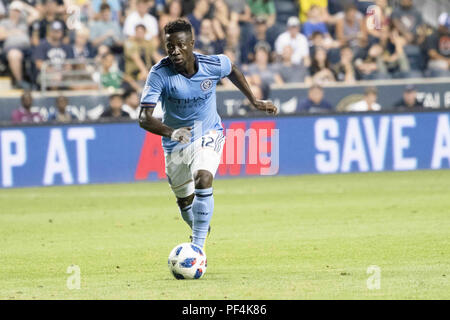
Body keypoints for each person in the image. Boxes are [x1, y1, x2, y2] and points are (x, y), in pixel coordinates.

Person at [139, 19, 277, 249]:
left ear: (192, 43)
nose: (175, 51)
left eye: (181, 45)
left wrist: (254, 101)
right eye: (169, 46)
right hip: (175, 143)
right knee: (185, 203)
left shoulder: (212, 64)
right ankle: (198, 228)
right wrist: (173, 133)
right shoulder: (159, 74)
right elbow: (144, 118)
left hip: (208, 132)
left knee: (203, 179)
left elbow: (231, 69)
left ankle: (198, 249)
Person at [425, 13, 450, 78]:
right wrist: (446, 60)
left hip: (447, 61)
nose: (446, 29)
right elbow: (432, 54)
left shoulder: (448, 35)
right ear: (440, 25)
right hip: (436, 62)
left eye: (447, 27)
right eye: (445, 26)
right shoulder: (433, 36)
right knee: (444, 65)